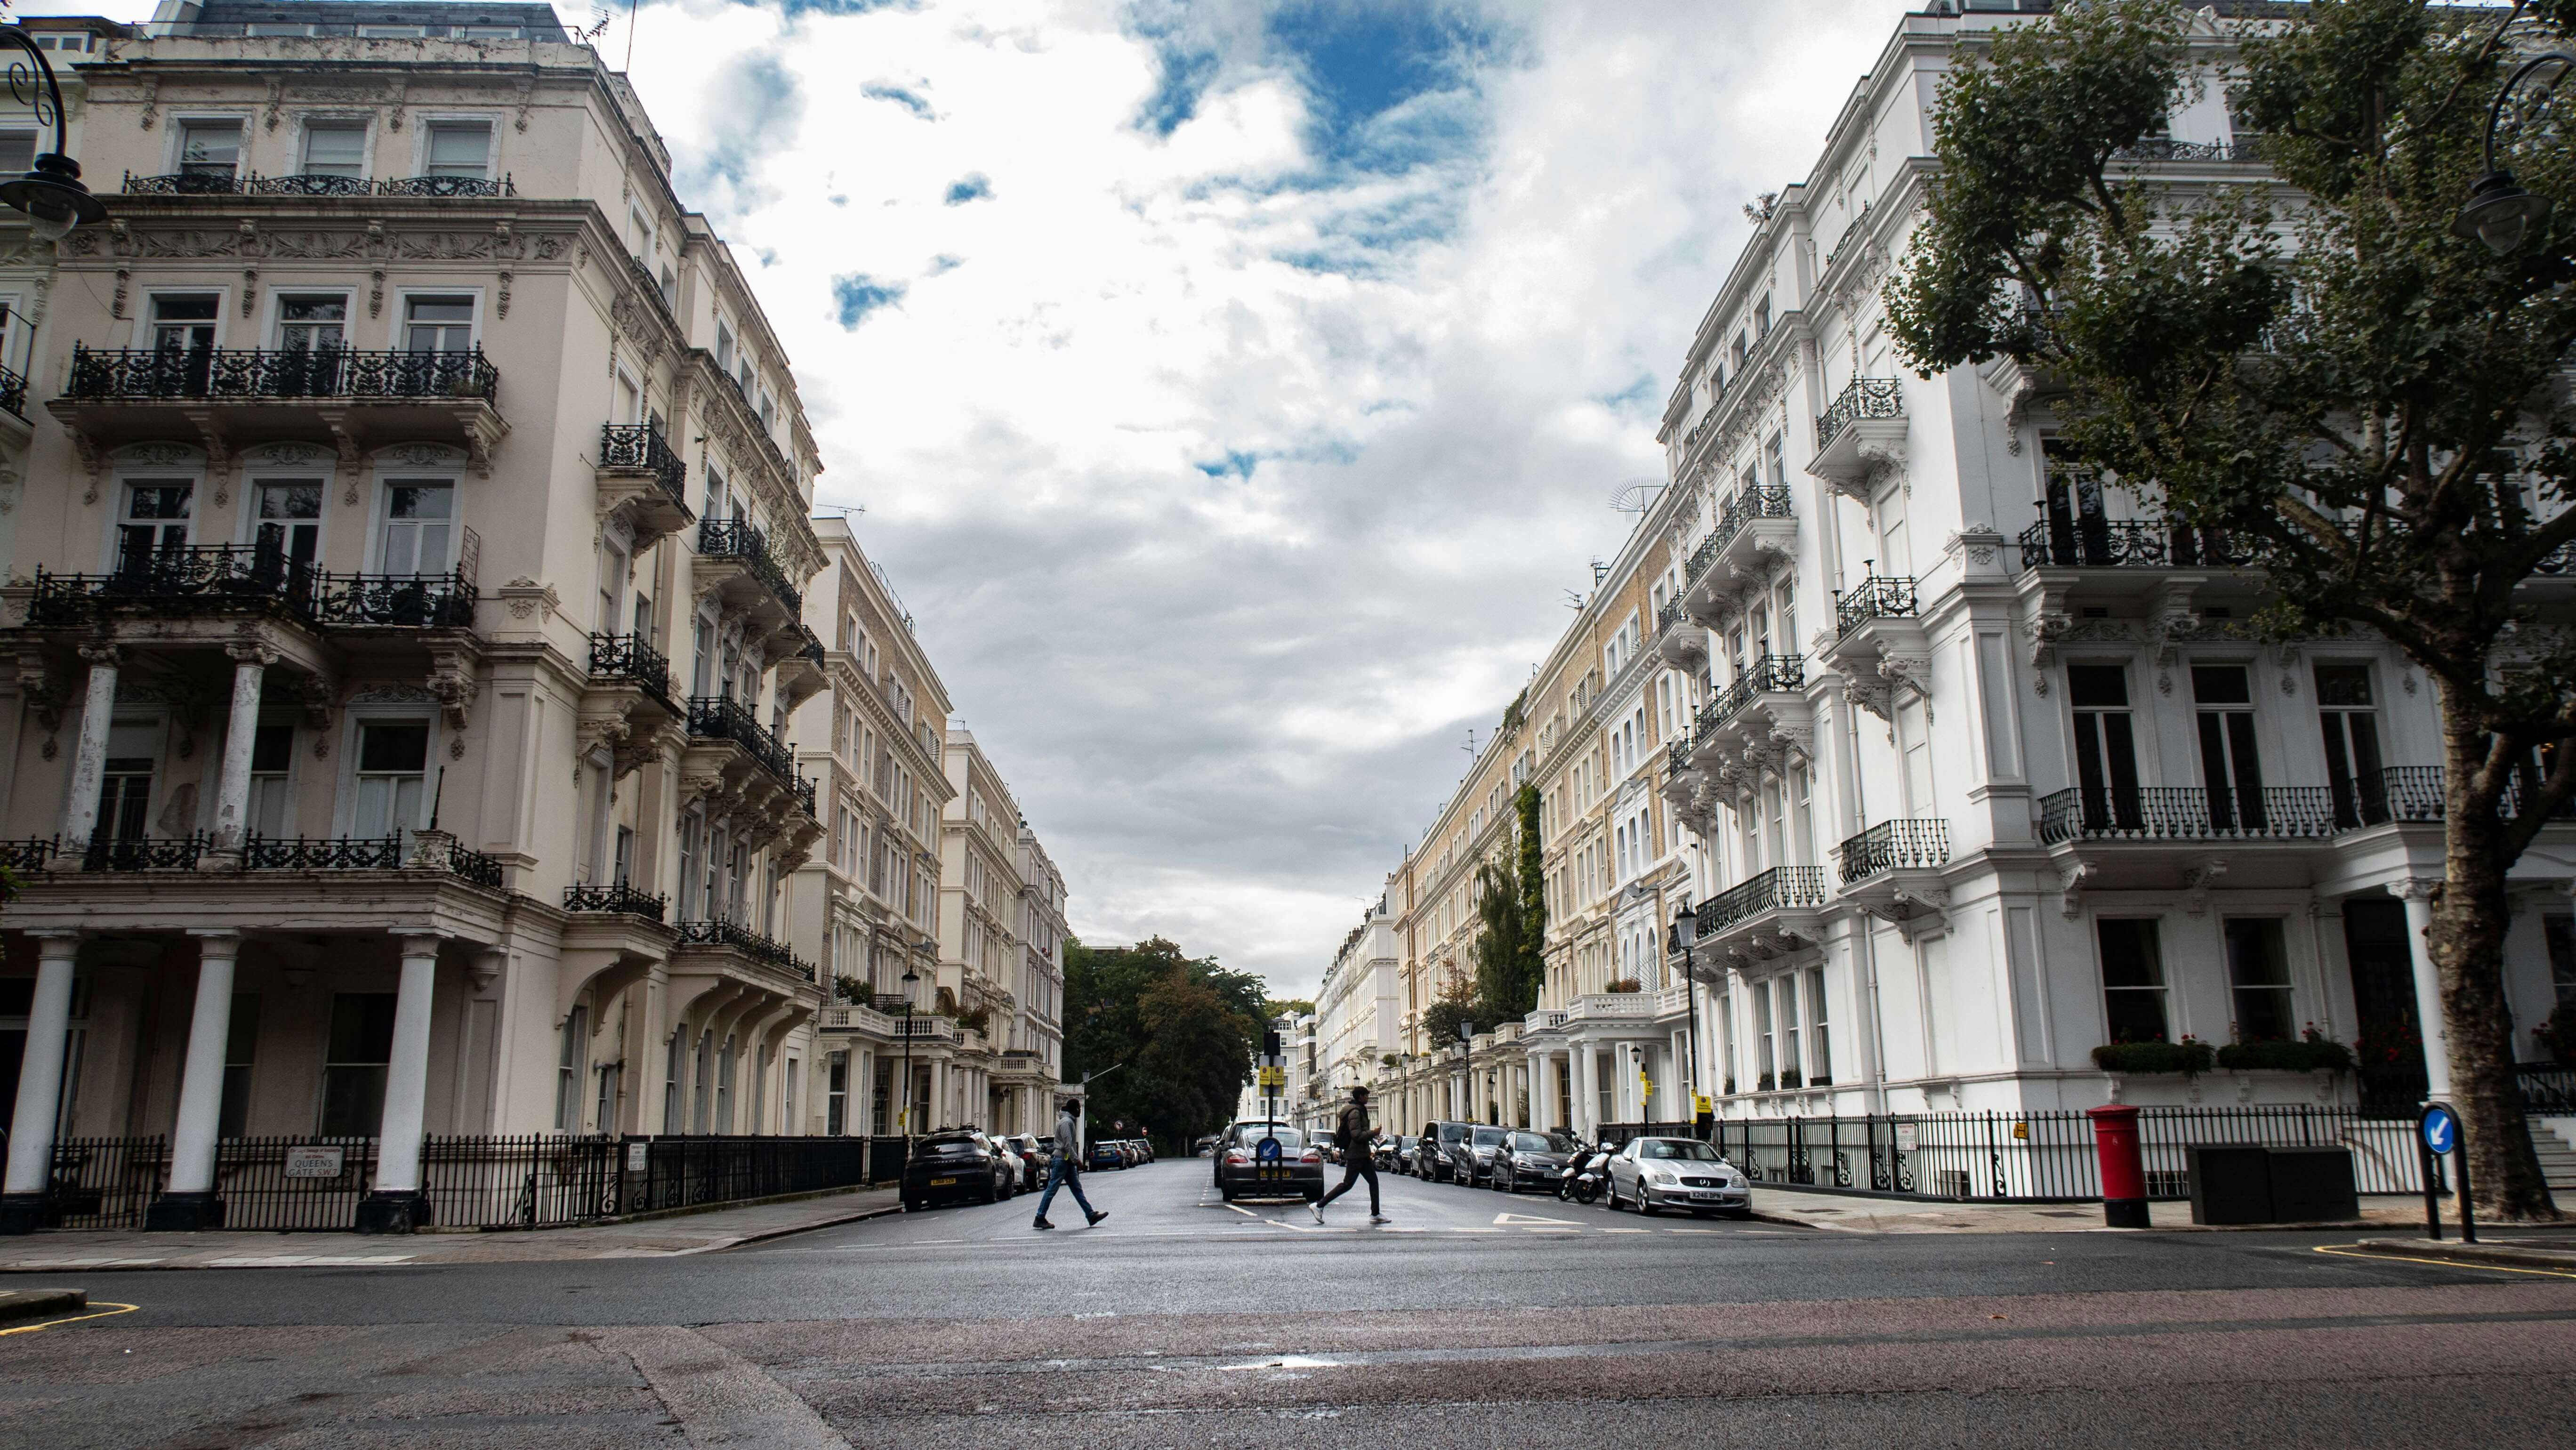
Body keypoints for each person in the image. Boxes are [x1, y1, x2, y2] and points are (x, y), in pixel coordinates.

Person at [1312, 1085, 1389, 1224]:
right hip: (1356, 1154)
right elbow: (1357, 1135)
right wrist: (1374, 1133)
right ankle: (1319, 1205)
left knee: (1373, 1181)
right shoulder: (1355, 1112)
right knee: (1347, 1184)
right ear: (1360, 1097)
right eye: (1366, 1095)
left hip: (1362, 1154)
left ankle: (1375, 1213)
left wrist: (1374, 1137)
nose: (1367, 1098)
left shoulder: (1358, 1110)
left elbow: (1359, 1133)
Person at [1032, 1096, 1107, 1231]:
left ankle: (1090, 1215)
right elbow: (1067, 1145)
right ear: (1075, 1109)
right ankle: (1039, 1217)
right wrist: (1077, 1160)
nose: (1080, 1110)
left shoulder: (1069, 1121)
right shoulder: (1067, 1122)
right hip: (1062, 1160)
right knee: (1052, 1189)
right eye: (1078, 1108)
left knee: (1077, 1189)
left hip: (1066, 1161)